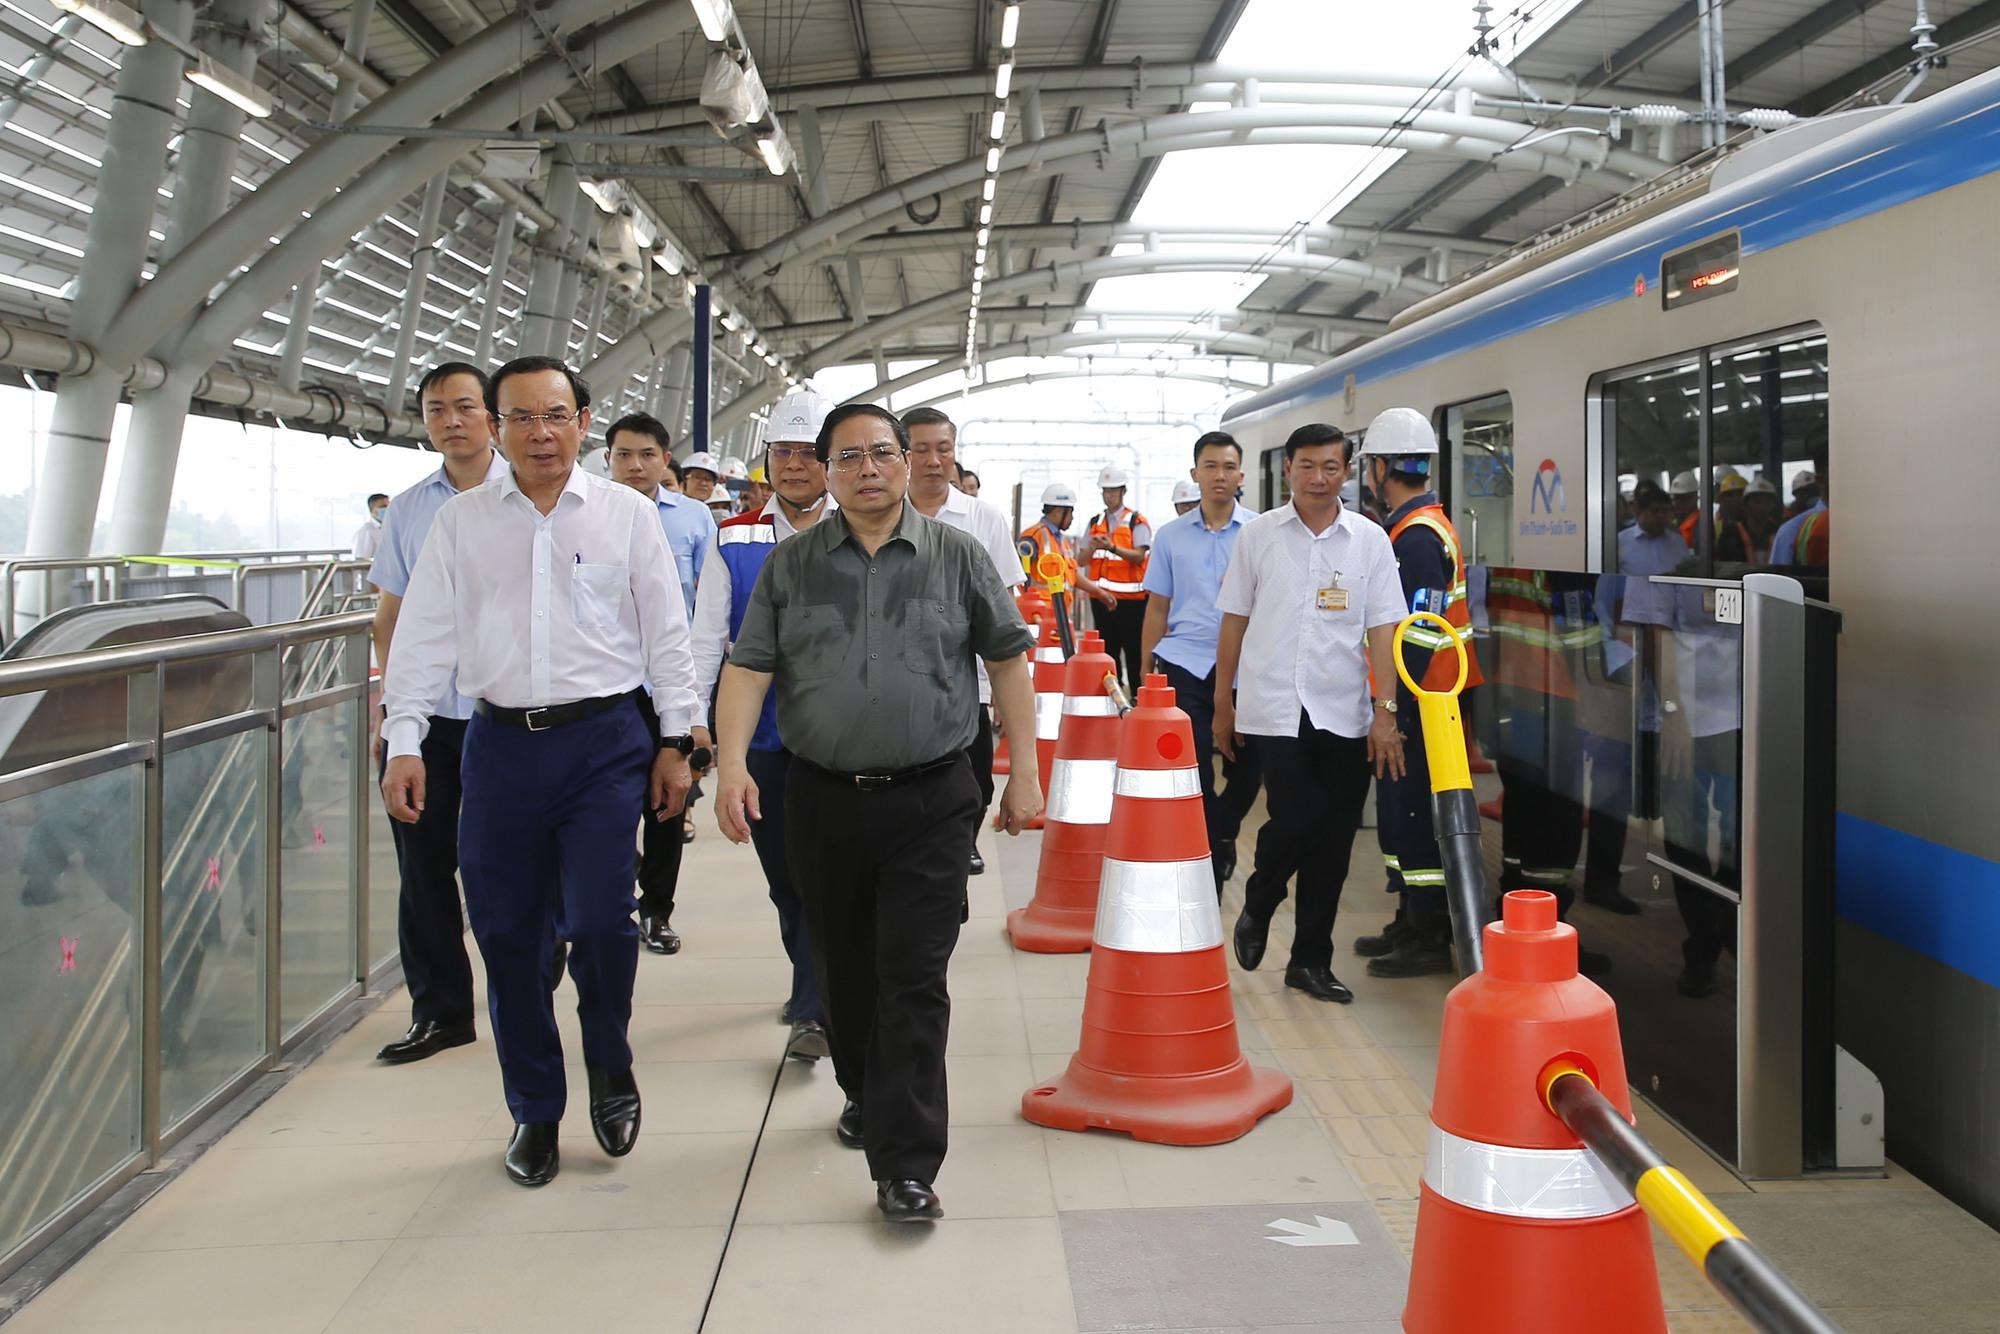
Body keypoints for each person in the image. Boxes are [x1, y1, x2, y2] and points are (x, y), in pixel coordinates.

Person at [713, 403, 1040, 1224]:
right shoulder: (791, 567)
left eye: (883, 453)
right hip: (822, 798)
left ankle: (906, 1163)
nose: (869, 468)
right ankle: (865, 1090)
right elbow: (748, 671)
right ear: (825, 470)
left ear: (905, 463)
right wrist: (728, 767)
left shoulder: (959, 556)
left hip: (933, 798)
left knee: (914, 977)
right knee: (847, 972)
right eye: (849, 456)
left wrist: (1026, 773)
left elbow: (1007, 665)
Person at [381, 355, 699, 1189]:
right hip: (499, 749)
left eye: (555, 415)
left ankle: (609, 1059)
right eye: (520, 418)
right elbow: (421, 640)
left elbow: (666, 633)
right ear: (495, 425)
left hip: (603, 744)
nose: (541, 433)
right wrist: (404, 739)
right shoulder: (460, 524)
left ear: (583, 421)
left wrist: (678, 742)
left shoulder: (628, 517)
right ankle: (534, 1107)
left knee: (600, 919)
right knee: (510, 937)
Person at [1217, 423, 1406, 1005]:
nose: (1318, 478)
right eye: (1307, 466)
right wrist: (1223, 702)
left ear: (1346, 471)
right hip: (1274, 706)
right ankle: (1262, 895)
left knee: (1334, 844)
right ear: (1288, 470)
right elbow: (1234, 619)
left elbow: (1383, 630)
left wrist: (1385, 710)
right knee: (1294, 820)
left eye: (1330, 467)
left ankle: (1309, 962)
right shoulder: (1260, 537)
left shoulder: (1370, 541)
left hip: (1344, 710)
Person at [689, 387, 838, 1063]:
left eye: (810, 453)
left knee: (826, 877)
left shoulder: (862, 527)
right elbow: (704, 639)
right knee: (785, 877)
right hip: (766, 738)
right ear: (766, 462)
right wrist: (693, 723)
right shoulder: (734, 538)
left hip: (844, 739)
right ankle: (814, 986)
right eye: (785, 453)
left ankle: (816, 1005)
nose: (797, 466)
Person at [368, 364, 511, 1066]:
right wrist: (396, 716)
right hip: (431, 719)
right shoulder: (408, 509)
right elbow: (389, 618)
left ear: (492, 417)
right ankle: (442, 1009)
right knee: (422, 865)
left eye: (464, 407)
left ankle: (532, 963)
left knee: (512, 860)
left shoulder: (526, 494)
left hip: (508, 716)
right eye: (435, 410)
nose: (450, 421)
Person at [1354, 408, 1483, 980]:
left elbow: (1418, 633)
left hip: (1423, 701)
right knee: (1400, 812)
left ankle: (1429, 933)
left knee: (1412, 814)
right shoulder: (1418, 527)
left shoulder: (1417, 537)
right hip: (1424, 698)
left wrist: (1391, 710)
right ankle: (1410, 918)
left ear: (1381, 468)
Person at [607, 412, 718, 955]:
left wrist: (701, 700)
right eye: (623, 454)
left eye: (646, 454)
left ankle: (657, 910)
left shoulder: (695, 520)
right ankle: (614, 902)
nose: (635, 465)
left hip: (672, 686)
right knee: (608, 804)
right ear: (607, 459)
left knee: (669, 804)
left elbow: (707, 606)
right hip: (610, 689)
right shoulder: (589, 516)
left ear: (664, 459)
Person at [903, 407, 1024, 875]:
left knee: (974, 780)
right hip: (901, 679)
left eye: (944, 449)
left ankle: (961, 842)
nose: (934, 460)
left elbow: (1005, 606)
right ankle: (933, 854)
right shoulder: (880, 512)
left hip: (969, 680)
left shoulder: (983, 518)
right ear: (904, 453)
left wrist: (1004, 693)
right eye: (922, 449)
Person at [1141, 430, 1262, 891]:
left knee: (1251, 769)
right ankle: (1208, 855)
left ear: (1241, 475)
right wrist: (1147, 674)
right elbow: (1157, 608)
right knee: (1192, 765)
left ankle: (1222, 831)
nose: (1219, 476)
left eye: (1228, 467)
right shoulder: (1170, 536)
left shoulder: (1259, 533)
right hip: (1184, 664)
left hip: (1247, 666)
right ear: (1195, 474)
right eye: (1210, 467)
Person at [1086, 465, 1152, 688]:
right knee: (1107, 652)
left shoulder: (1136, 521)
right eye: (1105, 491)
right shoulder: (1095, 522)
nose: (1108, 496)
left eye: (1113, 491)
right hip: (1101, 599)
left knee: (1133, 651)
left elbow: (1139, 556)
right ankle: (1109, 695)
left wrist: (1113, 547)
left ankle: (1135, 695)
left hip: (1130, 602)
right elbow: (1082, 559)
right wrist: (1092, 548)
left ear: (1123, 491)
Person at [1021, 483, 1114, 621]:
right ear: (1059, 511)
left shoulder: (1063, 542)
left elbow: (1073, 575)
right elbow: (1017, 576)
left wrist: (1100, 593)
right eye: (1071, 512)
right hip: (1039, 617)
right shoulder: (1033, 536)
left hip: (1059, 616)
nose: (1072, 518)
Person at [1770, 470, 1826, 565]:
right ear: (1796, 495)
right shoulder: (1789, 529)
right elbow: (1781, 571)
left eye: (1814, 491)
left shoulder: (1833, 518)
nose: (1810, 496)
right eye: (1805, 492)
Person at [352, 493, 389, 560]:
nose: (387, 509)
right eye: (383, 507)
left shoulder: (390, 527)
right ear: (372, 510)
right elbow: (362, 560)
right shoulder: (366, 531)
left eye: (389, 506)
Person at [1670, 470, 1701, 547]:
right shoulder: (1672, 520)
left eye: (1683, 498)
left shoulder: (1702, 523)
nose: (1677, 503)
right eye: (1675, 498)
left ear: (1695, 497)